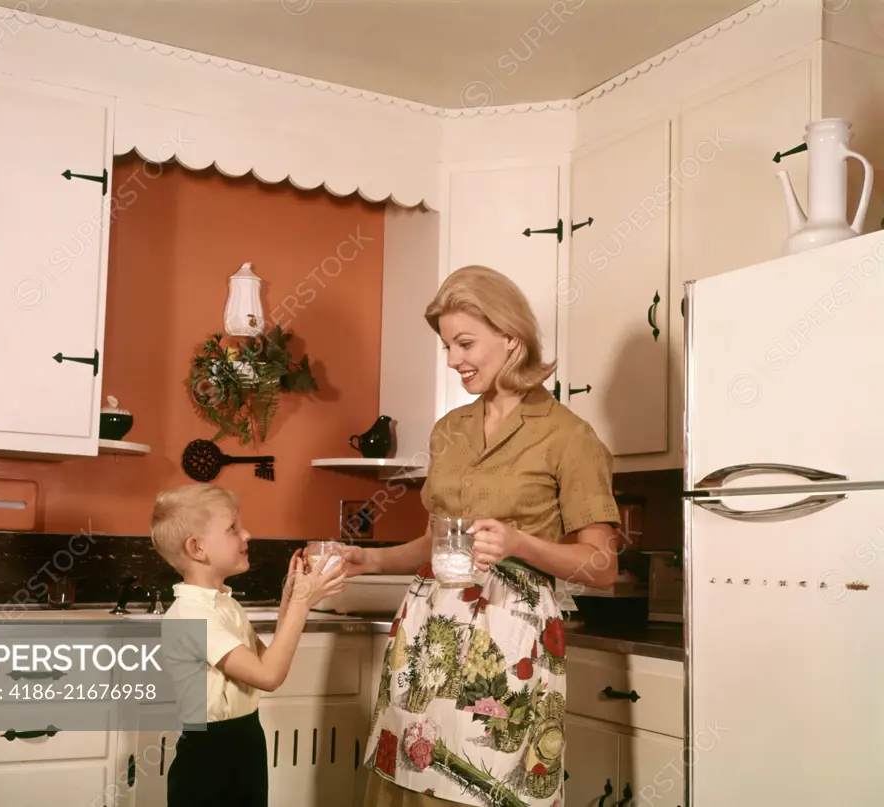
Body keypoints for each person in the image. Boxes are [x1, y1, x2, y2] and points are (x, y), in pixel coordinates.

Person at [342, 265, 621, 807]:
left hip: (508, 645)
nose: (454, 360)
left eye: (465, 343)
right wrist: (367, 561)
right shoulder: (449, 430)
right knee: (406, 781)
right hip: (425, 636)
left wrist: (520, 544)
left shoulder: (568, 436)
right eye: (448, 346)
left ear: (512, 337)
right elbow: (434, 545)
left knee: (486, 789)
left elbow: (602, 566)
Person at [150, 482, 347, 807]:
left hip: (246, 741)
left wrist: (293, 598)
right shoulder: (190, 615)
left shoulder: (225, 604)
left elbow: (265, 662)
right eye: (232, 528)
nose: (247, 535)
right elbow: (268, 676)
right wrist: (300, 604)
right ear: (197, 548)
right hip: (209, 757)